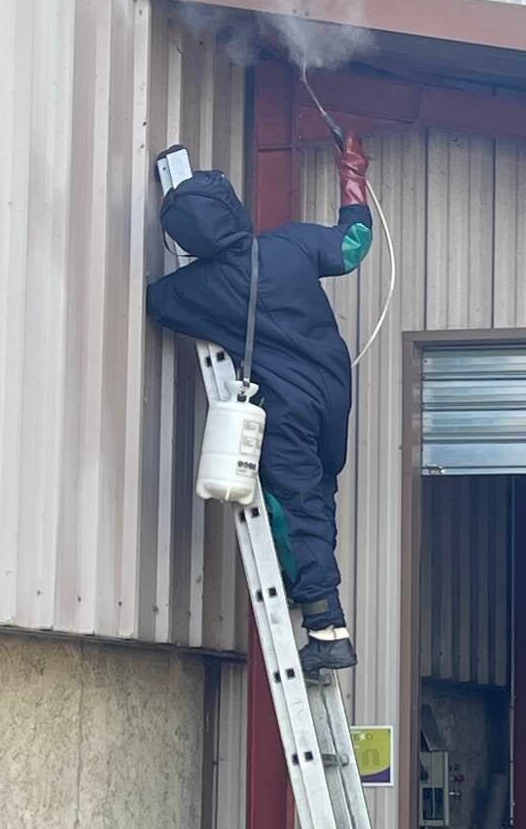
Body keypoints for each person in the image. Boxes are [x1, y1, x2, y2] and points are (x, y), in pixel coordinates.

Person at [147, 132, 371, 673]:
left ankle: (325, 628)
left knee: (297, 508)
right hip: (335, 395)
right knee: (318, 493)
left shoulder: (197, 288)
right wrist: (354, 178)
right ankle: (314, 594)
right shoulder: (289, 243)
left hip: (287, 409)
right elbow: (352, 245)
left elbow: (156, 302)